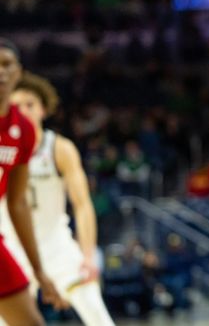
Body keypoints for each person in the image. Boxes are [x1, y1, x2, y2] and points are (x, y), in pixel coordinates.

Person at [0, 71, 115, 326]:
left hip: (57, 247)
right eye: (16, 105)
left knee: (98, 317)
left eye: (30, 104)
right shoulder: (5, 145)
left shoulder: (59, 148)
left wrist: (88, 255)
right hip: (11, 248)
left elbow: (83, 204)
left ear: (44, 109)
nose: (23, 110)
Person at [0, 39, 66, 325]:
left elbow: (17, 202)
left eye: (6, 65)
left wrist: (39, 270)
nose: (0, 72)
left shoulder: (24, 130)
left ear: (19, 72)